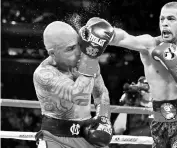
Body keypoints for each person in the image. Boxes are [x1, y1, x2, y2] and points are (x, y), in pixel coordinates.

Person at [81, 1, 177, 147]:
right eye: (162, 19)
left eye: (171, 19)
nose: (165, 23)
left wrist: (175, 67)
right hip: (159, 121)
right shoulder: (150, 45)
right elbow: (124, 38)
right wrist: (106, 32)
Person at [33, 18, 115, 148]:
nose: (78, 52)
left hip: (88, 134)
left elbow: (101, 93)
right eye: (70, 49)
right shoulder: (44, 74)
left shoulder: (85, 60)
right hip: (56, 139)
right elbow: (80, 96)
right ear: (53, 53)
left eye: (78, 44)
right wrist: (91, 56)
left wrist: (103, 119)